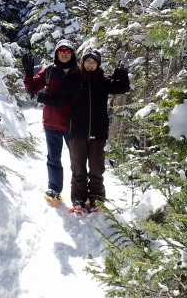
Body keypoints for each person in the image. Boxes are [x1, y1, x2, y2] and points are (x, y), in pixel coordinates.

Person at [37, 47, 130, 213]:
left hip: (98, 133)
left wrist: (122, 71)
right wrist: (40, 97)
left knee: (96, 169)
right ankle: (79, 199)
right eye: (87, 60)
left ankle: (96, 199)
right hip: (77, 133)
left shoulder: (103, 80)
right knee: (78, 169)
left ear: (98, 64)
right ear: (83, 62)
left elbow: (122, 87)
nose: (90, 64)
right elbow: (59, 100)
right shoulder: (73, 79)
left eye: (94, 62)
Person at [21, 39, 78, 203]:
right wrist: (28, 74)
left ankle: (80, 191)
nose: (64, 54)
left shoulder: (78, 73)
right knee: (54, 157)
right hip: (52, 122)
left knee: (78, 159)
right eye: (61, 51)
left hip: (73, 123)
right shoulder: (49, 71)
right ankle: (54, 189)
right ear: (56, 53)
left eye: (67, 51)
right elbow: (32, 90)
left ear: (72, 54)